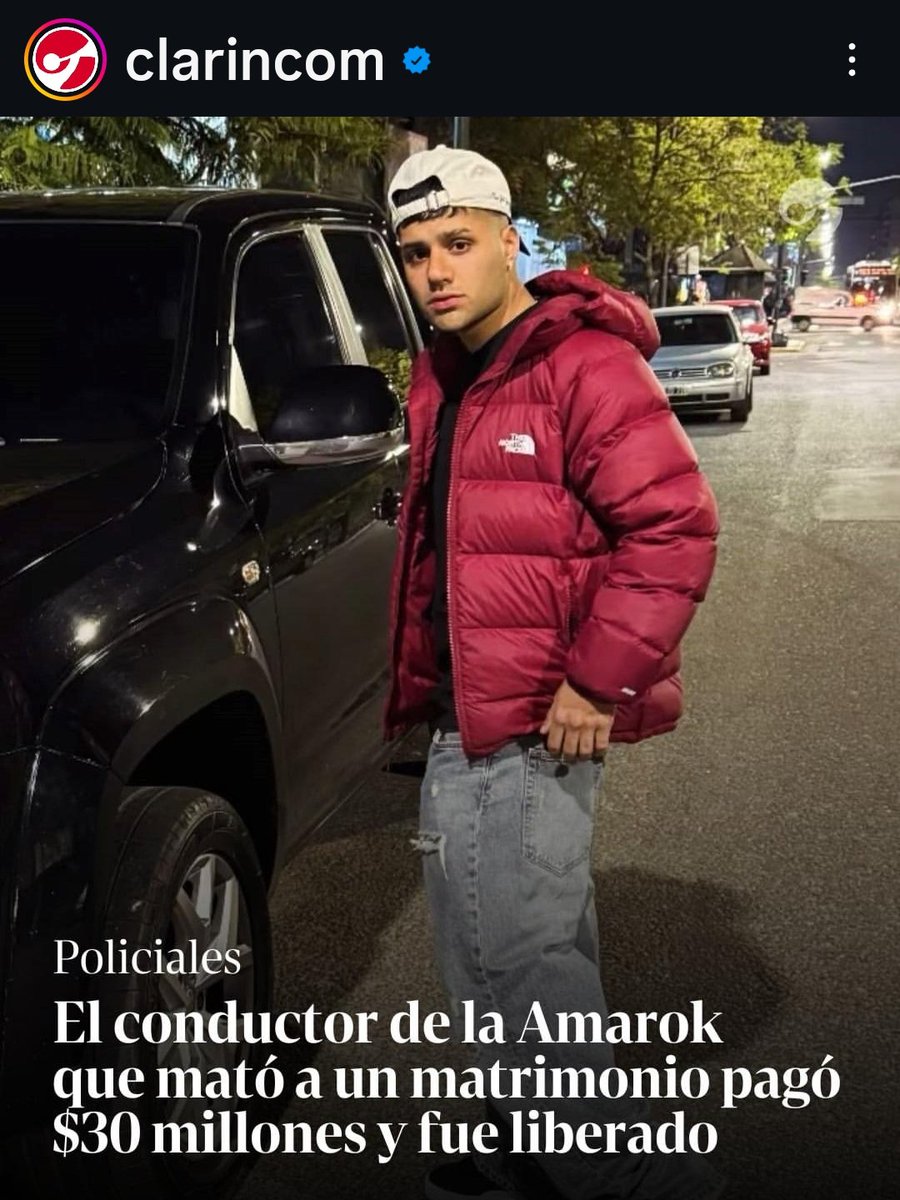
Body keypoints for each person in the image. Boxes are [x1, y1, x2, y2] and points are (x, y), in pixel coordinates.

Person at [383, 145, 723, 1200]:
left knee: (511, 959)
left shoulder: (581, 363)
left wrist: (594, 681)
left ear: (508, 240)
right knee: (515, 946)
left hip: (532, 716)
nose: (436, 270)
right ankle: (529, 1131)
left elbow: (674, 529)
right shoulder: (450, 371)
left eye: (457, 244)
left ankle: (606, 1176)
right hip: (467, 712)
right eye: (416, 253)